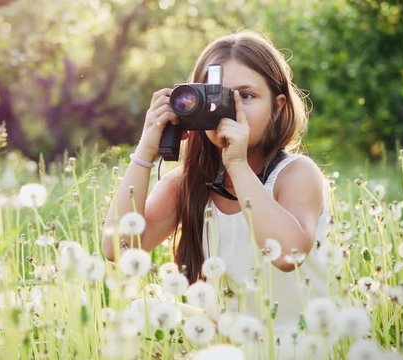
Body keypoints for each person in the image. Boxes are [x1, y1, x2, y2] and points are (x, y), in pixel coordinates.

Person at [103, 31, 328, 333]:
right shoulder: (185, 185)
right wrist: (145, 150)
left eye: (246, 96)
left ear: (278, 107)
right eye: (216, 96)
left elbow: (288, 255)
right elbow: (117, 249)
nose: (229, 110)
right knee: (139, 312)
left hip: (299, 338)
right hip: (224, 339)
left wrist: (237, 165)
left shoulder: (295, 174)